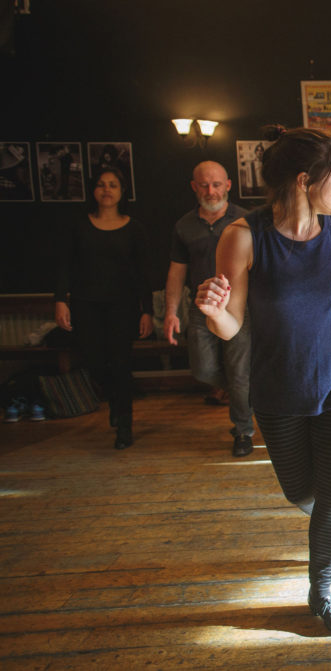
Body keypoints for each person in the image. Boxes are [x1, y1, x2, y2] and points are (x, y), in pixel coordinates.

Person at [195, 126, 331, 636]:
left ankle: (321, 592)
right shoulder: (243, 236)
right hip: (279, 390)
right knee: (300, 490)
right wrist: (213, 312)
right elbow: (232, 324)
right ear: (307, 180)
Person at [55, 167, 153, 449]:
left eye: (113, 185)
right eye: (101, 185)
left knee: (121, 364)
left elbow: (144, 273)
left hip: (123, 307)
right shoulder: (78, 226)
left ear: (122, 192)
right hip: (86, 305)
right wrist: (60, 299)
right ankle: (115, 399)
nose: (106, 190)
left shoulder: (135, 228)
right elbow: (64, 265)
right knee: (94, 361)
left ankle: (124, 424)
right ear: (93, 191)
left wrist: (147, 310)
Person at [164, 161, 254, 457]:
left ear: (228, 184)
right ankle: (243, 390)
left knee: (240, 374)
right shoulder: (183, 225)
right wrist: (170, 312)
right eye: (204, 185)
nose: (211, 191)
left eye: (216, 184)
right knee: (202, 369)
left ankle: (243, 431)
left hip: (239, 309)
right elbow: (177, 272)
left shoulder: (247, 221)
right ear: (194, 187)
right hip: (201, 308)